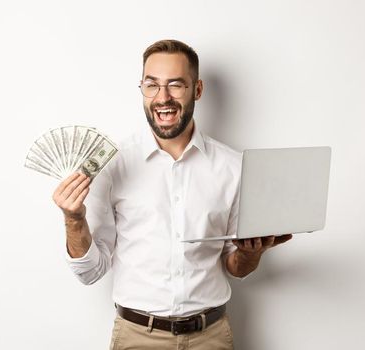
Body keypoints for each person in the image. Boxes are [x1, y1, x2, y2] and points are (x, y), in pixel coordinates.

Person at [52, 39, 293, 350]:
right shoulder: (110, 164)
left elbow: (235, 267)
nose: (162, 98)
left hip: (212, 337)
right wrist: (74, 219)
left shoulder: (234, 167)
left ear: (198, 90)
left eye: (176, 85)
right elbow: (90, 272)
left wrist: (250, 253)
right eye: (151, 85)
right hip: (137, 338)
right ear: (141, 89)